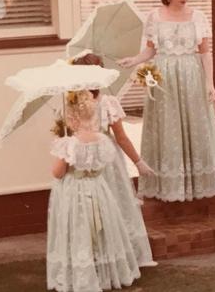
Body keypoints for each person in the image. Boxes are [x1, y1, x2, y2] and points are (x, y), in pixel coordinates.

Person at [118, 0, 215, 202]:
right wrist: (134, 60)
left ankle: (197, 183)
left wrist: (210, 83)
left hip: (191, 78)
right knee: (168, 129)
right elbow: (150, 50)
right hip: (165, 80)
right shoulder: (154, 17)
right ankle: (169, 184)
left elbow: (205, 53)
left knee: (195, 127)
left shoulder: (198, 17)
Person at [46, 90, 141, 291]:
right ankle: (105, 269)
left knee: (79, 227)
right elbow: (104, 163)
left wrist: (64, 150)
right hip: (98, 189)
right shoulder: (103, 140)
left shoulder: (68, 144)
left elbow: (57, 172)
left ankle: (82, 272)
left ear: (71, 118)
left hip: (75, 192)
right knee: (101, 229)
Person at [71, 53, 158, 268]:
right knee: (114, 202)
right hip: (103, 160)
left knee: (98, 205)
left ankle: (101, 254)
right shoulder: (106, 102)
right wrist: (138, 162)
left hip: (88, 159)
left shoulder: (73, 103)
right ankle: (119, 254)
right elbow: (121, 138)